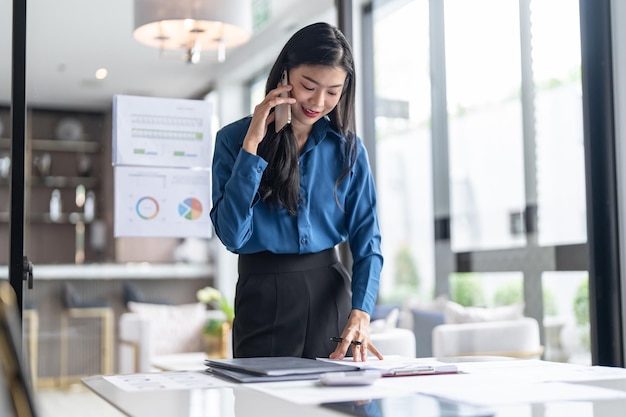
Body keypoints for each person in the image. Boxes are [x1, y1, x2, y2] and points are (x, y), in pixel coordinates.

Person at [210, 22, 383, 362]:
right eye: (309, 86)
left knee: (336, 409)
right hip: (262, 295)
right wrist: (252, 147)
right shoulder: (232, 140)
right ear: (285, 74)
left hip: (330, 296)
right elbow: (232, 237)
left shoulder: (348, 149)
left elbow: (368, 240)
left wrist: (361, 310)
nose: (319, 102)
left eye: (333, 92)